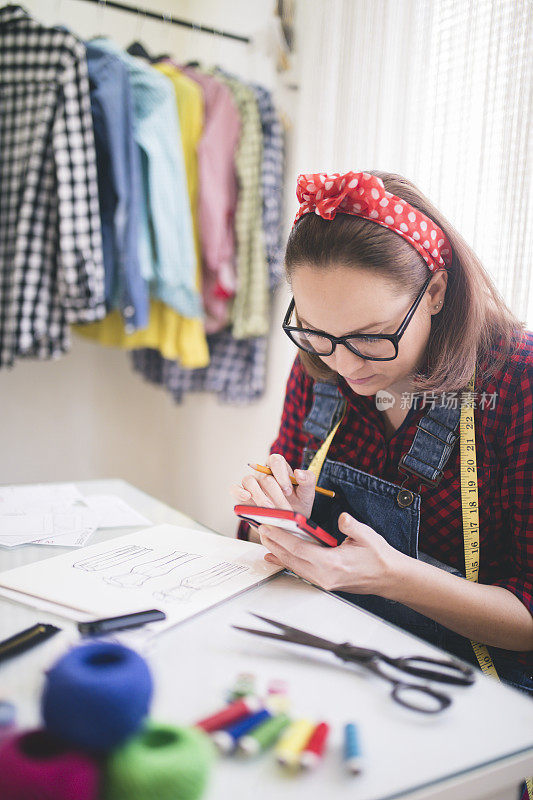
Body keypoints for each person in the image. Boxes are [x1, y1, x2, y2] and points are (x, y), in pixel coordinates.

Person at [231, 170, 533, 699]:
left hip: (484, 693)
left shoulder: (516, 382)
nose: (343, 364)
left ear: (435, 291)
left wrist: (392, 576)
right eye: (316, 330)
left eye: (371, 337)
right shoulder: (317, 365)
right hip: (343, 658)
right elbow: (269, 534)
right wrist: (278, 517)